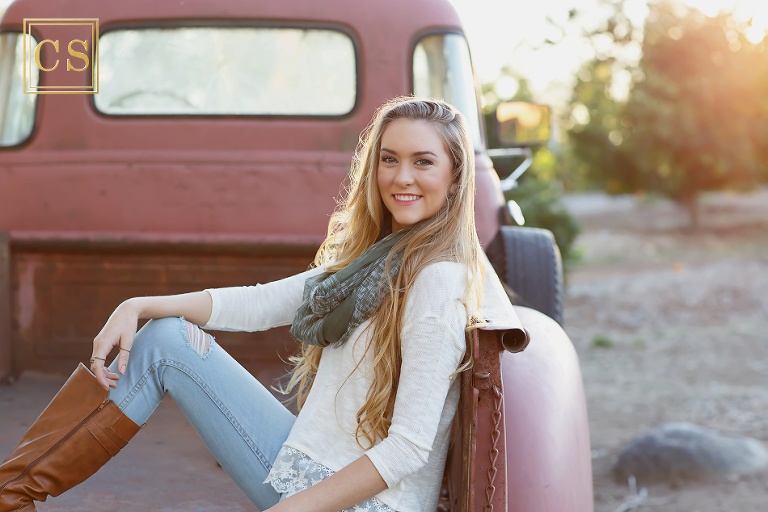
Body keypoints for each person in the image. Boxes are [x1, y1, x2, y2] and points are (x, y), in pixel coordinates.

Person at [0, 97, 523, 512]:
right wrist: (138, 303)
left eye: (422, 162)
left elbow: (409, 448)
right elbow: (259, 303)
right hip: (315, 467)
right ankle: (12, 494)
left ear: (455, 177)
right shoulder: (381, 260)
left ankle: (10, 495)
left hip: (363, 504)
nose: (401, 178)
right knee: (162, 335)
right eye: (389, 159)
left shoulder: (438, 279)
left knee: (161, 345)